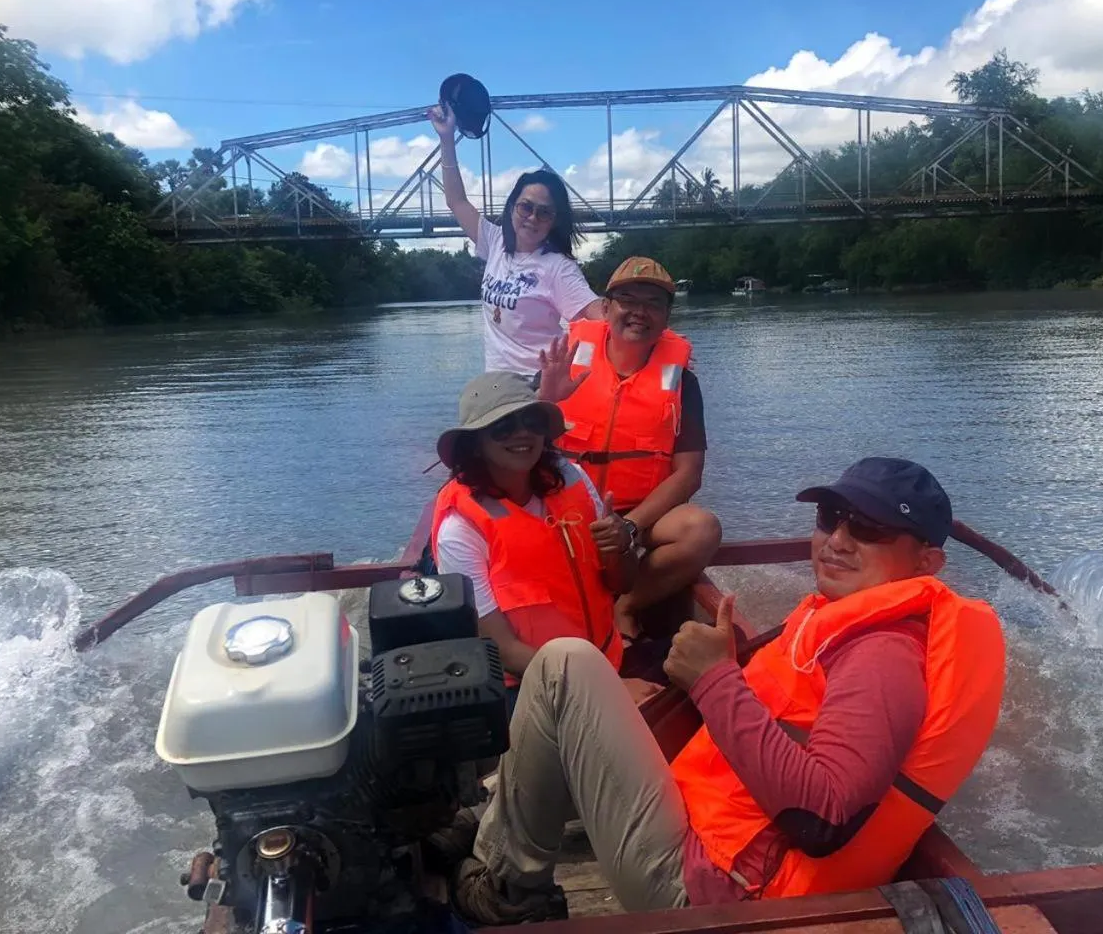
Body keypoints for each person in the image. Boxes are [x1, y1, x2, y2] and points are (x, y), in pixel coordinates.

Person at [434, 456, 1007, 924]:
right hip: (707, 842)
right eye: (831, 516)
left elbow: (825, 817)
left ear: (928, 561)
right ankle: (487, 816)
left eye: (870, 529)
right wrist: (722, 677)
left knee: (564, 666)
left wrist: (713, 680)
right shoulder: (847, 624)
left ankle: (508, 889)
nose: (836, 539)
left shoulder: (883, 655)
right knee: (586, 682)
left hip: (713, 898)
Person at [430, 372, 662, 713]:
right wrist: (607, 691)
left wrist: (621, 545)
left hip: (606, 658)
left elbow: (620, 583)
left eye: (532, 420)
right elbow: (503, 650)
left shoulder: (571, 479)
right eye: (503, 426)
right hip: (530, 684)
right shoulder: (460, 529)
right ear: (475, 443)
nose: (522, 433)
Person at [538, 256, 722, 647]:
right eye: (627, 300)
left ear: (667, 316)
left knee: (702, 528)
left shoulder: (682, 383)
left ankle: (626, 607)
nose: (639, 312)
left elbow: (689, 473)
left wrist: (630, 526)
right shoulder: (563, 364)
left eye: (653, 303)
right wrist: (544, 401)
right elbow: (519, 449)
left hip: (642, 519)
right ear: (606, 309)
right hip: (568, 512)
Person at [428, 101, 604, 377]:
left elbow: (599, 313)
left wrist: (656, 343)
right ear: (512, 207)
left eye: (544, 213)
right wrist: (447, 138)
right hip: (498, 382)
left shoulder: (558, 268)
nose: (532, 218)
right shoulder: (494, 240)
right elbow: (456, 200)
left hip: (536, 386)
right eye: (526, 207)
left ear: (554, 221)